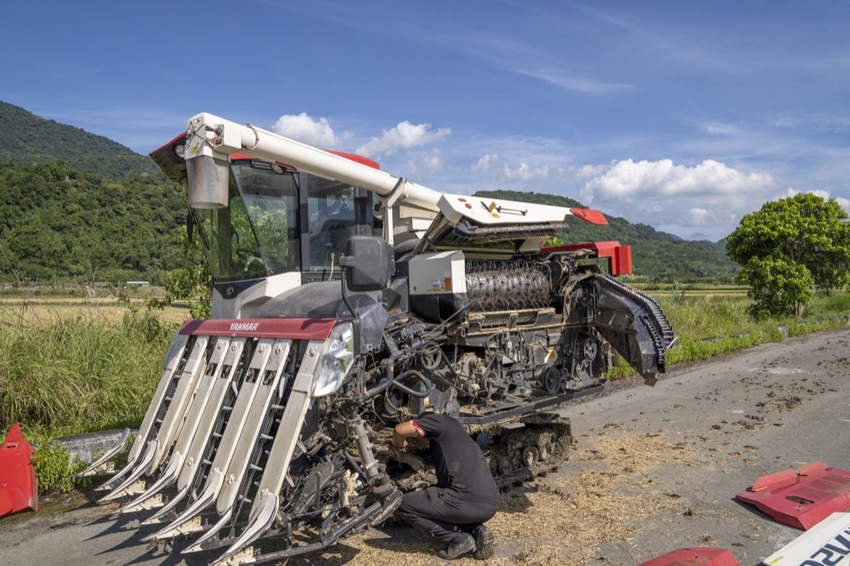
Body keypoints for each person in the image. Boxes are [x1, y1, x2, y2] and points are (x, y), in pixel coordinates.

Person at [392, 412, 499, 560]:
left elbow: (400, 430)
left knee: (401, 504)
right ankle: (476, 529)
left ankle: (458, 538)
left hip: (466, 501)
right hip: (489, 506)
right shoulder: (457, 438)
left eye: (419, 437)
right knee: (440, 499)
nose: (421, 442)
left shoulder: (438, 421)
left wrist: (399, 443)